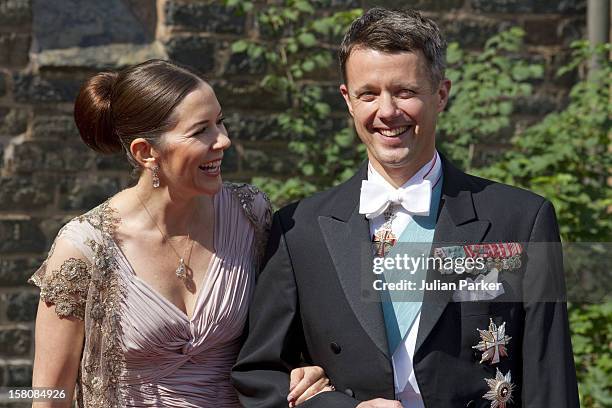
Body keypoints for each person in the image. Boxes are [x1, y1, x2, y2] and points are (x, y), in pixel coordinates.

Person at [231, 8, 579, 408]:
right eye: (368, 94)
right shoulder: (298, 229)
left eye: (405, 92)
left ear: (442, 93)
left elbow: (550, 378)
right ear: (347, 100)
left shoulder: (522, 219)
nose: (387, 111)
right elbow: (258, 375)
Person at [29, 59, 329, 407]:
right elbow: (48, 395)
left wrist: (305, 370)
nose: (224, 140)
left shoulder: (252, 215)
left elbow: (280, 339)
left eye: (220, 122)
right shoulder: (83, 250)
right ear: (146, 152)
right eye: (201, 130)